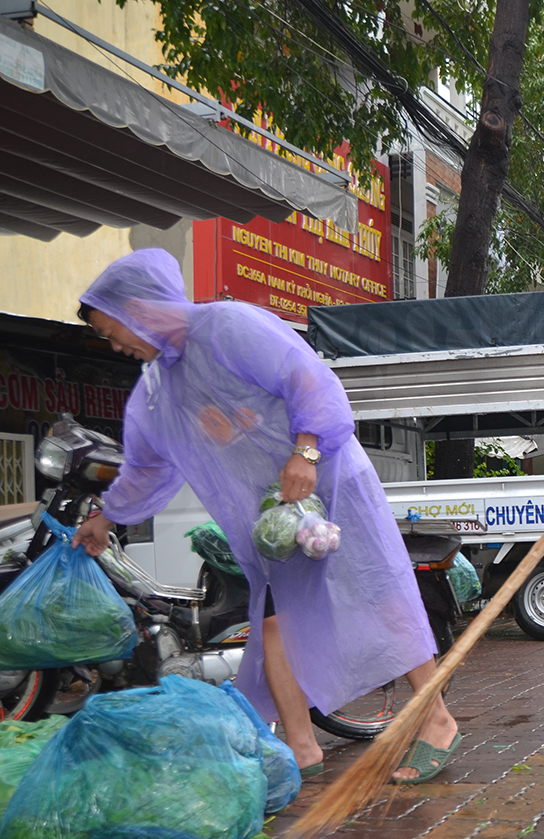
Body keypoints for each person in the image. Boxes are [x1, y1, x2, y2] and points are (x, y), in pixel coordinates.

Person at [69, 251, 461, 784]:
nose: (116, 345)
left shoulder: (228, 325)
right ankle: (299, 749)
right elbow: (145, 465)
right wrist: (106, 519)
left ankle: (436, 719)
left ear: (137, 306)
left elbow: (308, 380)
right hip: (275, 519)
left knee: (378, 593)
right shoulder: (159, 388)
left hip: (330, 482)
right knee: (275, 620)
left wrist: (307, 451)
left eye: (112, 331)